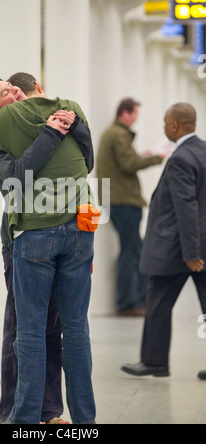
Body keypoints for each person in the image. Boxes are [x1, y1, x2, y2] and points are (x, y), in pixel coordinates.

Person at [0, 73, 96, 424]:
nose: (14, 92)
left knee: (37, 330)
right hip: (65, 233)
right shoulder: (16, 126)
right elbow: (18, 179)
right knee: (52, 329)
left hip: (43, 235)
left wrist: (66, 130)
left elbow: (85, 161)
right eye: (4, 93)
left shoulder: (52, 113)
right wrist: (53, 133)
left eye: (13, 87)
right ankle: (61, 418)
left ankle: (33, 416)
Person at [121, 102, 206, 377]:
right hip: (198, 241)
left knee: (157, 300)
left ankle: (154, 362)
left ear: (173, 126)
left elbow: (186, 205)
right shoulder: (202, 151)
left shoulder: (181, 157)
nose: (163, 127)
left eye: (164, 123)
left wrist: (191, 251)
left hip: (178, 247)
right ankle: (153, 361)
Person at [97, 98, 165, 316]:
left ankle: (135, 300)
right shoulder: (118, 135)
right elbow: (129, 165)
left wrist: (141, 157)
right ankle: (128, 303)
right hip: (123, 201)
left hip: (116, 199)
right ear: (124, 114)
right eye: (135, 114)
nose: (136, 119)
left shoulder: (113, 134)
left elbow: (125, 161)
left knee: (133, 250)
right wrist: (157, 158)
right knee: (132, 252)